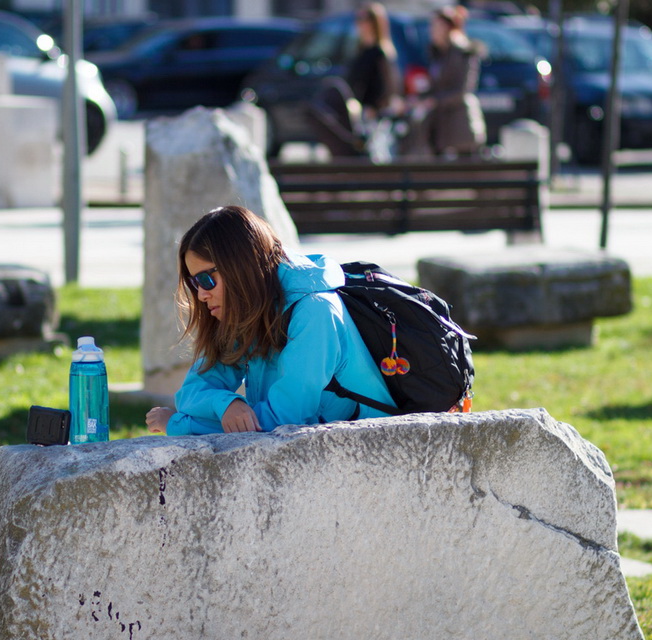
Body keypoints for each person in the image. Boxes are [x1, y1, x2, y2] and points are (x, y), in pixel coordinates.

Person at [145, 206, 395, 436]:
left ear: (240, 268)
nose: (201, 294)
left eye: (206, 280)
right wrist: (226, 404)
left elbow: (283, 420)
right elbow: (190, 392)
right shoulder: (252, 309)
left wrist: (178, 424)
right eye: (194, 282)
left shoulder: (315, 312)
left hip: (372, 454)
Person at [307, 3, 399, 159]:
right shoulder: (360, 50)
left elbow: (387, 86)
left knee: (372, 152)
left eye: (364, 20)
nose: (360, 25)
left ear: (374, 24)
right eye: (359, 20)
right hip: (355, 108)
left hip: (371, 112)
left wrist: (375, 107)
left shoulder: (381, 53)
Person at [402, 5, 486, 158]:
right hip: (441, 127)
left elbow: (463, 91)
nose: (432, 31)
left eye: (437, 26)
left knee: (462, 174)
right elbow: (435, 87)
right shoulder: (438, 53)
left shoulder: (462, 52)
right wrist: (418, 99)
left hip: (459, 126)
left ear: (449, 28)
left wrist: (433, 101)